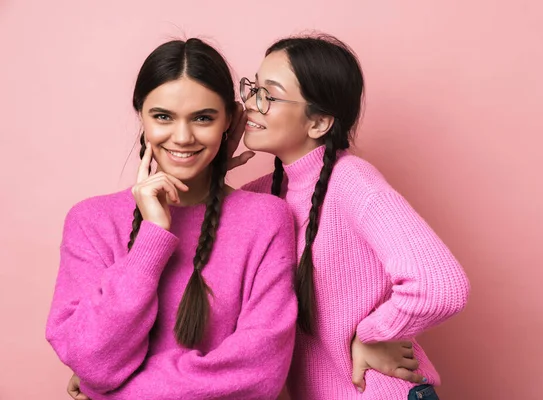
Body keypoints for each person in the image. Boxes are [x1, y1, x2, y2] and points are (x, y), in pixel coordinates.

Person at [46, 38, 298, 400]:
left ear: (230, 118)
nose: (182, 137)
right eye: (163, 116)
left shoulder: (266, 219)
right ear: (141, 114)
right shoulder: (91, 221)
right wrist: (152, 237)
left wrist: (110, 394)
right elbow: (91, 360)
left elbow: (259, 371)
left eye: (203, 118)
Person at [236, 34, 470, 399]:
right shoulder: (262, 194)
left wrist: (371, 334)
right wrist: (216, 160)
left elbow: (441, 286)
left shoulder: (352, 181)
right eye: (252, 89)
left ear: (319, 123)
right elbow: (198, 235)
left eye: (270, 94)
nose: (251, 104)